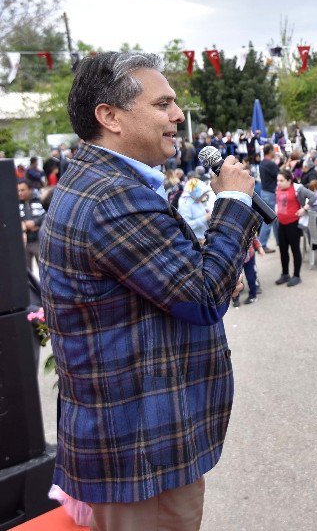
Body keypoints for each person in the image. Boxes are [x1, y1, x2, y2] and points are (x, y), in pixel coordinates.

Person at [38, 51, 259, 527]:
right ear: (110, 117)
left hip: (142, 441)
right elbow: (200, 297)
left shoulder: (104, 182)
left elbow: (169, 281)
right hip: (141, 451)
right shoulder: (113, 196)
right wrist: (236, 202)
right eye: (163, 104)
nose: (178, 115)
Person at [274, 169, 315, 286]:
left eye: (281, 180)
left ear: (289, 180)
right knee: (282, 250)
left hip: (293, 224)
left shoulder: (298, 188)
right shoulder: (278, 188)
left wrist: (304, 209)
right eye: (278, 180)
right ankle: (285, 274)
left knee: (295, 249)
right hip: (281, 223)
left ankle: (296, 276)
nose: (279, 183)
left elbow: (313, 197)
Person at [18, 179, 46, 271]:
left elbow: (47, 215)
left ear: (30, 189)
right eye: (18, 190)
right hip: (24, 244)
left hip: (39, 241)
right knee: (27, 274)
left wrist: (35, 223)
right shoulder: (15, 204)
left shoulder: (39, 201)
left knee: (43, 271)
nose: (20, 193)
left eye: (22, 190)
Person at [258, 144, 279, 252]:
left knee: (274, 218)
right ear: (270, 151)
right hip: (270, 193)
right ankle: (262, 244)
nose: (275, 152)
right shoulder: (271, 164)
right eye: (274, 150)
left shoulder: (262, 163)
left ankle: (279, 240)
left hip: (264, 192)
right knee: (270, 219)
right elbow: (279, 176)